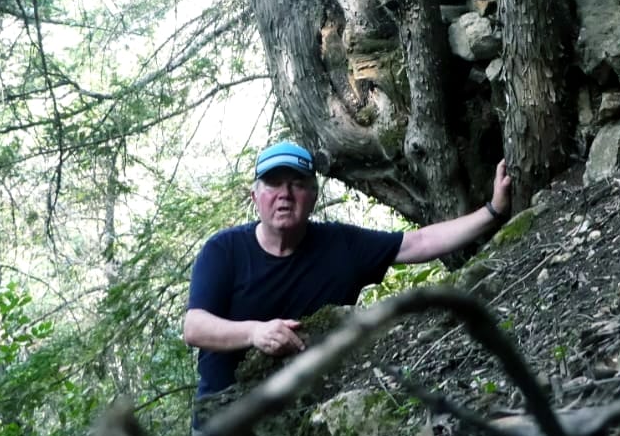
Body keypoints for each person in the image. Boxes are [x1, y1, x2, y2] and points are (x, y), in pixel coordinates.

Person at [182, 140, 512, 403]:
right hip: (225, 418)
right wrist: (255, 333)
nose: (285, 194)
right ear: (256, 196)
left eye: (297, 184)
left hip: (311, 417)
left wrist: (493, 211)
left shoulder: (340, 245)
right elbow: (195, 327)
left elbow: (419, 243)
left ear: (313, 196)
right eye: (273, 184)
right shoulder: (224, 251)